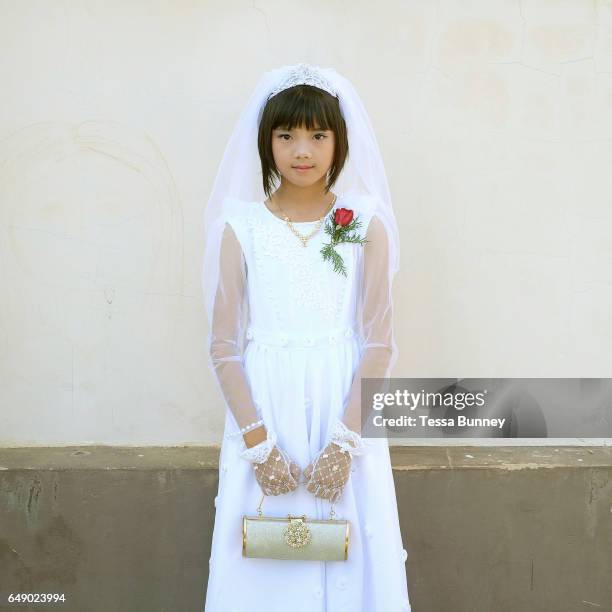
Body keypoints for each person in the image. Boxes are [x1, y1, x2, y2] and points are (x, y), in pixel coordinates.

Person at [202, 63, 411, 612]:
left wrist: (346, 444)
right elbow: (223, 345)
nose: (302, 149)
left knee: (348, 549)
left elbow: (380, 342)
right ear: (266, 141)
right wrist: (258, 444)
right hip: (264, 407)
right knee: (264, 555)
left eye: (318, 135)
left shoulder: (362, 223)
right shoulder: (240, 227)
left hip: (346, 408)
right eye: (286, 135)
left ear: (339, 142)